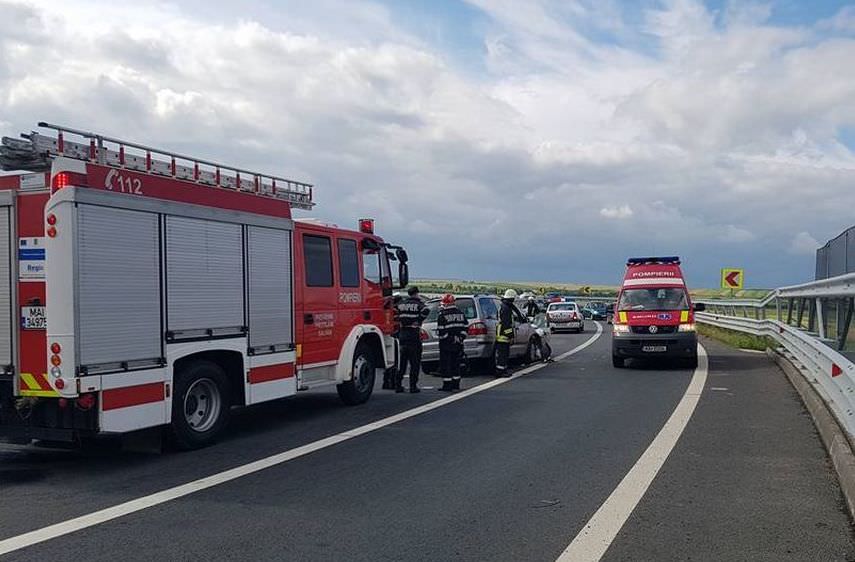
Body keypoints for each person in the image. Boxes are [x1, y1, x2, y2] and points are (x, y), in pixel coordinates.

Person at [393, 286, 429, 393]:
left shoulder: (401, 304)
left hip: (402, 335)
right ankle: (413, 386)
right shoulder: (419, 304)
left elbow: (394, 314)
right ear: (416, 293)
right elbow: (426, 310)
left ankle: (398, 385)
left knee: (402, 363)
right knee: (415, 363)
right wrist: (418, 320)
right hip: (414, 335)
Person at [437, 293, 468, 392]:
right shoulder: (460, 314)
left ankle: (447, 385)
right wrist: (460, 338)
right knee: (456, 364)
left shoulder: (442, 315)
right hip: (458, 344)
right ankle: (456, 385)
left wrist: (450, 338)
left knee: (446, 365)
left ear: (445, 304)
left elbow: (441, 332)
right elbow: (466, 328)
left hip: (446, 345)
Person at [496, 289, 517, 377]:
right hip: (503, 335)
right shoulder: (506, 308)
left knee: (503, 354)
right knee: (503, 354)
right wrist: (511, 336)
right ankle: (501, 371)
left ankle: (503, 370)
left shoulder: (505, 306)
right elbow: (506, 324)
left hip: (502, 334)